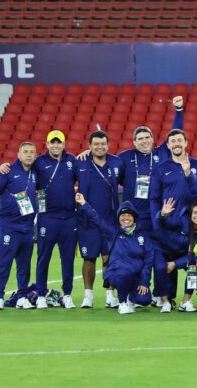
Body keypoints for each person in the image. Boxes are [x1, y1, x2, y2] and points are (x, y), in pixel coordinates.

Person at [115, 95, 184, 234]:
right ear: (134, 142)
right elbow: (106, 161)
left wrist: (179, 109)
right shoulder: (124, 157)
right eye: (140, 138)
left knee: (158, 244)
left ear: (152, 139)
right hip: (134, 213)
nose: (144, 141)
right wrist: (89, 152)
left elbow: (175, 134)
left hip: (158, 211)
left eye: (147, 137)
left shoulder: (162, 152)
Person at [75, 196, 153, 315]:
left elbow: (149, 258)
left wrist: (144, 281)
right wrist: (84, 203)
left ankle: (129, 298)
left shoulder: (142, 235)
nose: (126, 218)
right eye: (123, 215)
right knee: (125, 272)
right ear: (118, 217)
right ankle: (122, 303)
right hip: (116, 273)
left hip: (135, 276)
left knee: (144, 299)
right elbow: (97, 219)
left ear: (134, 217)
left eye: (129, 215)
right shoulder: (113, 232)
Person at [0, 142, 38, 310]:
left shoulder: (36, 173)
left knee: (24, 265)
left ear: (35, 155)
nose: (29, 155)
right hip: (9, 225)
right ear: (19, 155)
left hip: (27, 226)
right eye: (25, 152)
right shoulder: (7, 171)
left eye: (32, 152)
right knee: (3, 262)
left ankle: (22, 297)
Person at [74, 130, 122, 309]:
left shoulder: (117, 162)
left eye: (103, 144)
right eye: (96, 144)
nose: (99, 147)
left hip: (110, 220)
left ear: (108, 145)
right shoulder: (80, 163)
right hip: (87, 221)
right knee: (89, 258)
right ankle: (88, 296)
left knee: (109, 258)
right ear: (89, 146)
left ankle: (110, 295)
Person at [32, 130, 79, 309]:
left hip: (69, 218)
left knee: (68, 259)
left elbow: (84, 174)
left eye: (59, 142)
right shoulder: (39, 162)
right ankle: (41, 295)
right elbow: (23, 169)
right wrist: (6, 167)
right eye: (53, 142)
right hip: (47, 217)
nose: (56, 145)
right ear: (47, 144)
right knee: (43, 258)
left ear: (64, 144)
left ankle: (67, 295)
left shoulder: (72, 160)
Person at [173, 202, 197, 312]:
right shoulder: (183, 226)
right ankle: (184, 302)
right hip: (181, 257)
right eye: (195, 213)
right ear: (190, 214)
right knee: (193, 267)